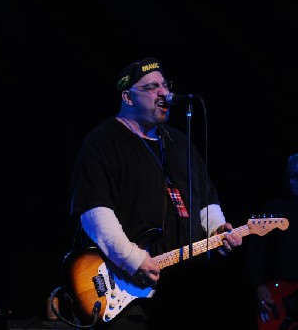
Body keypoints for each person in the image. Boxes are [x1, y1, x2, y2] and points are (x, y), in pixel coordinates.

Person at [66, 57, 243, 329]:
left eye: (164, 85)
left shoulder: (179, 142)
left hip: (184, 290)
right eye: (151, 87)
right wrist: (133, 259)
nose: (164, 93)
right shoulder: (103, 142)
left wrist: (218, 229)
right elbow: (95, 211)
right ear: (127, 97)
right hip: (132, 292)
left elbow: (205, 199)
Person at [246, 153, 298, 328]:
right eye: (288, 176)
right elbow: (256, 252)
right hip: (279, 294)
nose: (291, 182)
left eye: (296, 176)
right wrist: (258, 285)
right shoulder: (275, 208)